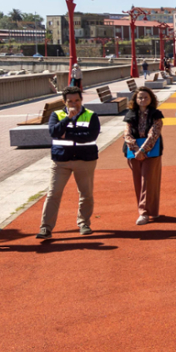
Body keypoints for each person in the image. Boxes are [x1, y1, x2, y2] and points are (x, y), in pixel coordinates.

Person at [38, 86, 101, 240]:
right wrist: (68, 119)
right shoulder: (57, 115)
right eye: (70, 101)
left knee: (86, 194)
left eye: (77, 100)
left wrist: (66, 134)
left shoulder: (91, 115)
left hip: (85, 160)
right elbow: (54, 132)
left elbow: (91, 136)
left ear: (81, 99)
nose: (74, 104)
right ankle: (45, 228)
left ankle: (84, 223)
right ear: (64, 102)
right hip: (61, 161)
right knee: (53, 194)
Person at [123, 86, 164, 225]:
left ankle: (144, 213)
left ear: (151, 99)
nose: (143, 100)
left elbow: (154, 134)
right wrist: (135, 150)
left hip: (151, 152)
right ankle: (150, 210)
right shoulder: (130, 114)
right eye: (140, 97)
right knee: (138, 182)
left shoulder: (156, 115)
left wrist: (143, 150)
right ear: (135, 99)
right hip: (133, 152)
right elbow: (126, 134)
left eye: (146, 97)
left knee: (148, 181)